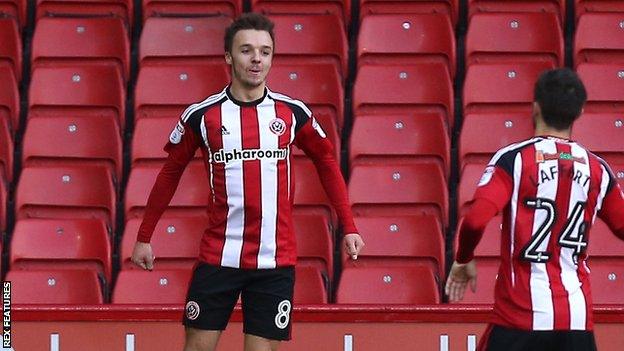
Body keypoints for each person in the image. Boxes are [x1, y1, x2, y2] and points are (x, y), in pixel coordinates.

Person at [130, 13, 364, 351]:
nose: (256, 58)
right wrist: (144, 236)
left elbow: (326, 162)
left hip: (274, 260)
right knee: (195, 348)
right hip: (219, 257)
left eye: (265, 52)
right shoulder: (203, 115)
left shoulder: (291, 112)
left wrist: (350, 225)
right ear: (228, 56)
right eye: (246, 50)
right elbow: (170, 173)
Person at [445, 68, 624, 351]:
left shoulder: (514, 160)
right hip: (576, 323)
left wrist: (464, 257)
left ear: (535, 107)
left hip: (519, 318)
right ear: (579, 112)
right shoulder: (597, 169)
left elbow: (475, 221)